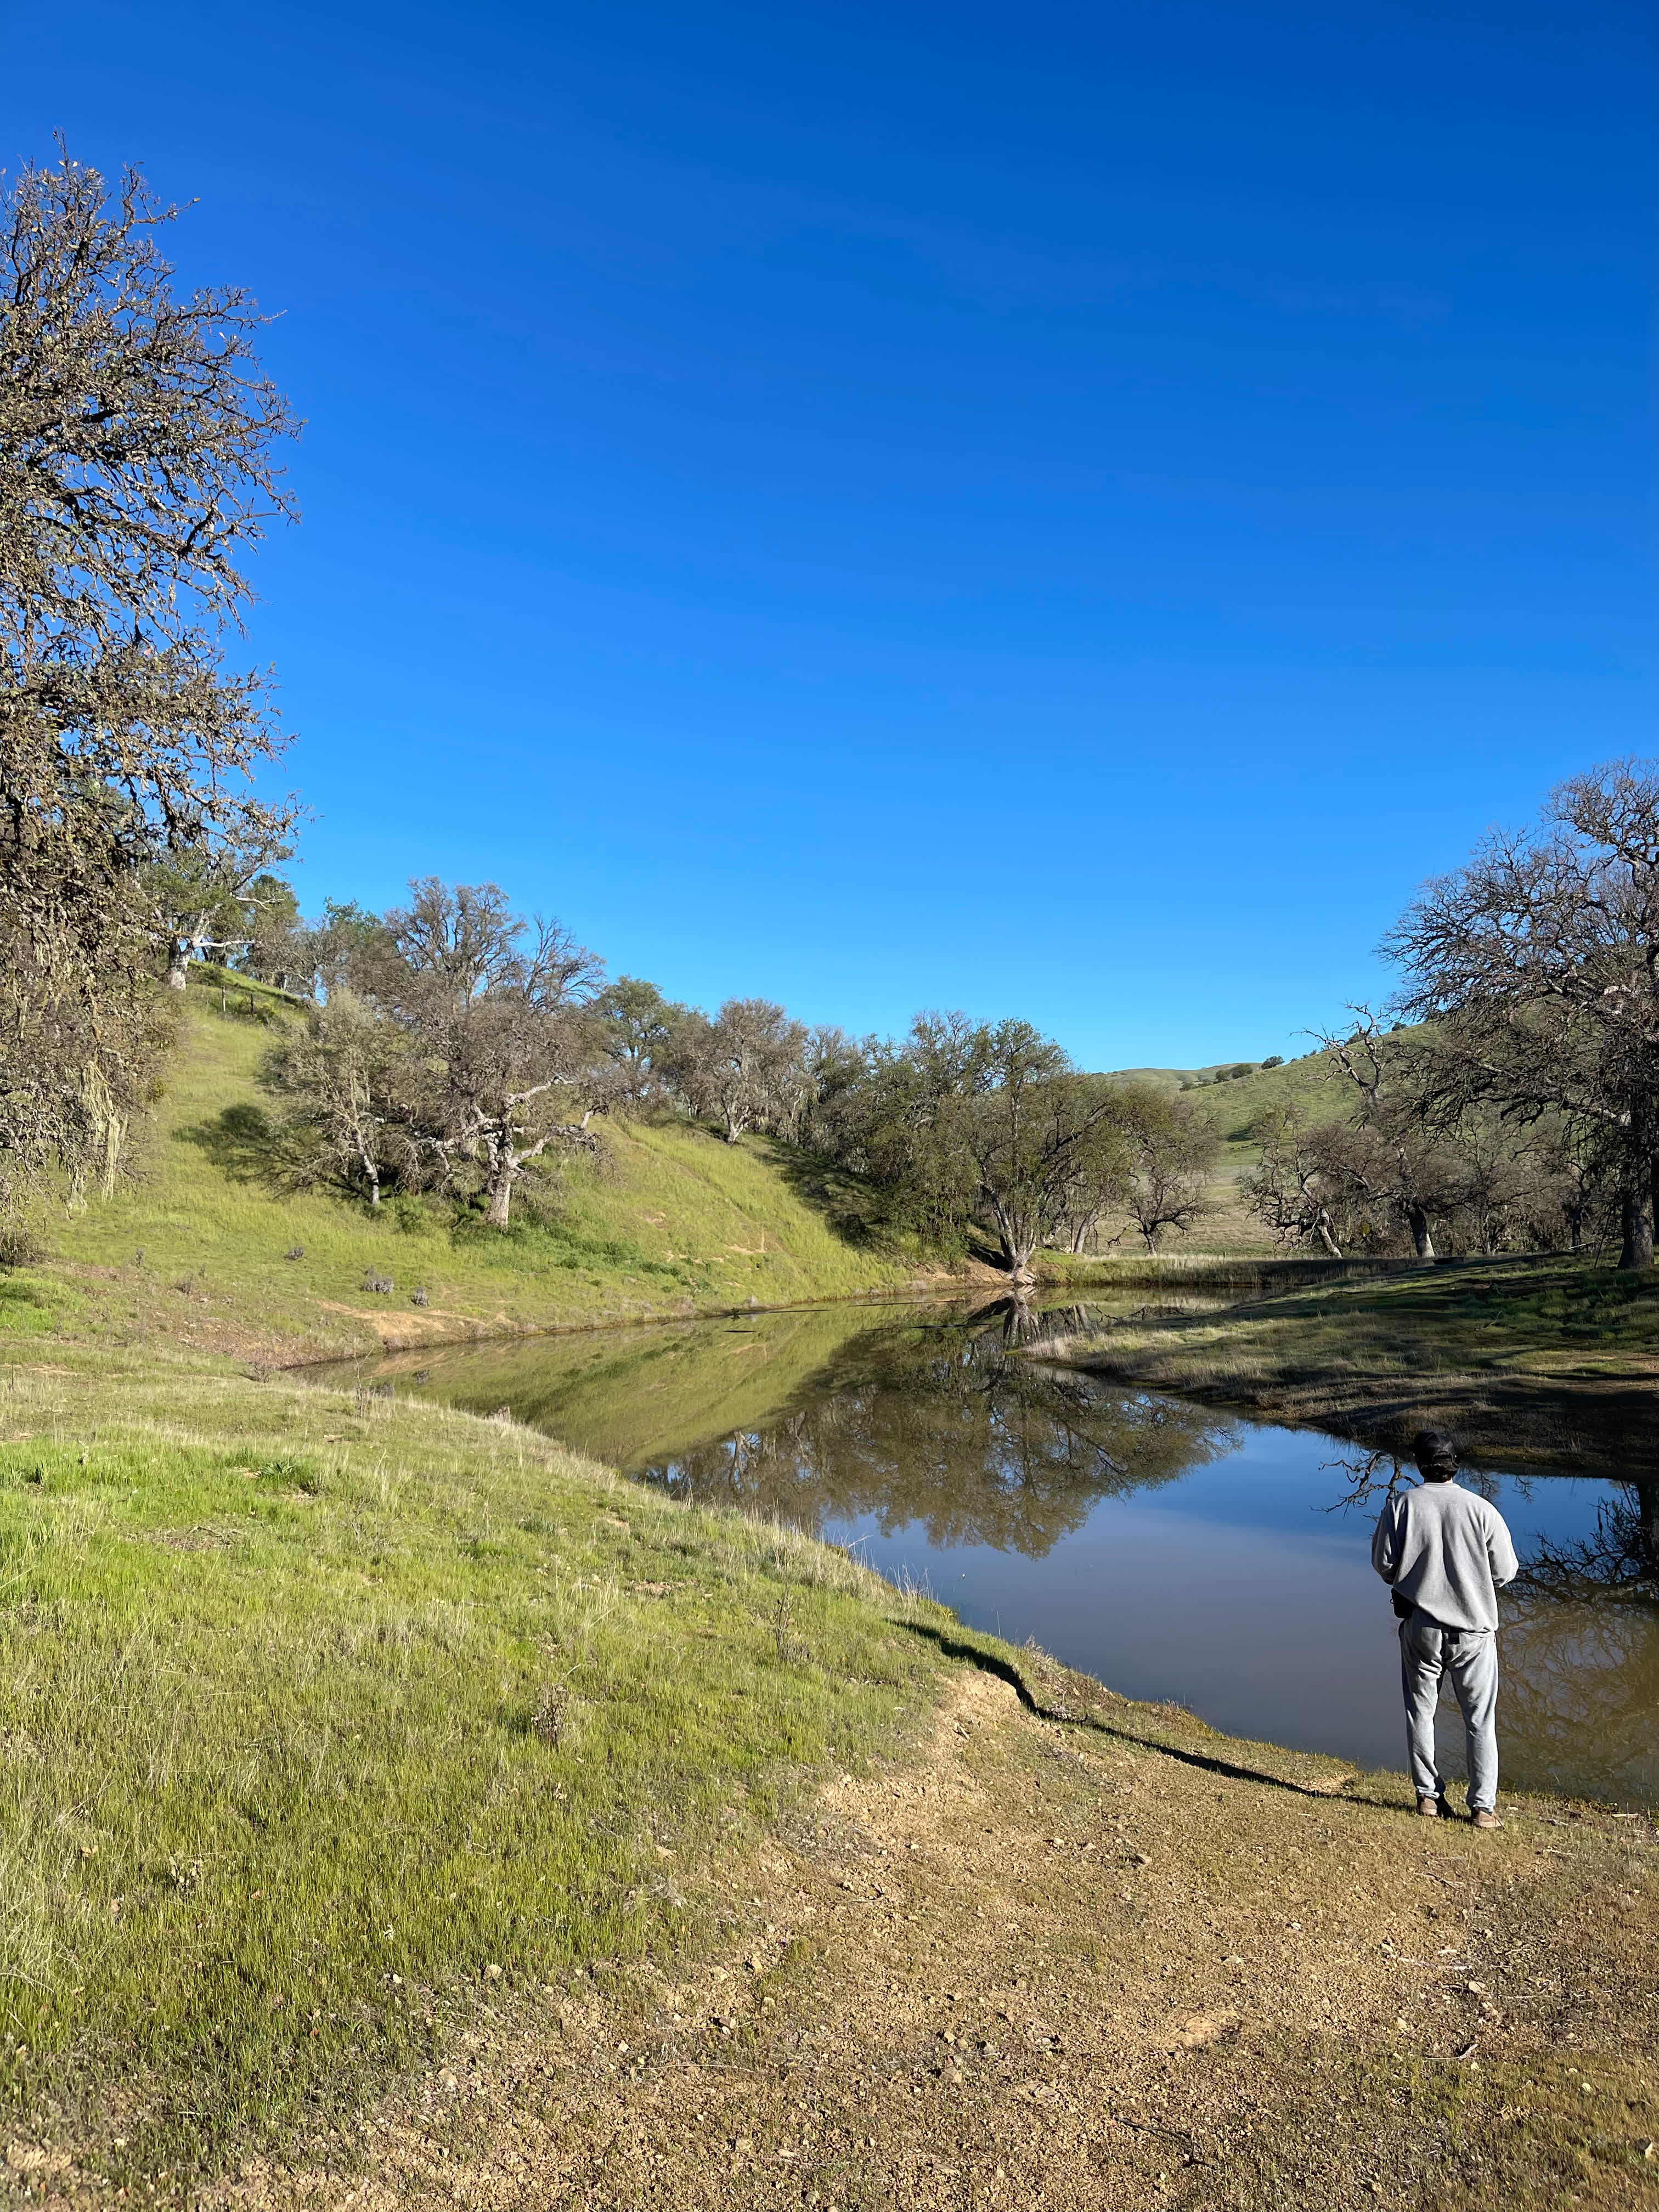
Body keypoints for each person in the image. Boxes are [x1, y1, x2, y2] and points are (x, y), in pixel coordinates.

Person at [1371, 1429, 1518, 1828]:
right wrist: (1474, 1581)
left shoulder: (1401, 1505)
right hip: (1474, 1630)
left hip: (1421, 1626)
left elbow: (1383, 1564)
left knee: (1421, 1713)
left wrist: (1414, 1578)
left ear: (1419, 1465)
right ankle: (1483, 1809)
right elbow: (1505, 1572)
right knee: (1480, 1720)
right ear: (1457, 1465)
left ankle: (1428, 1799)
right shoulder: (1482, 1509)